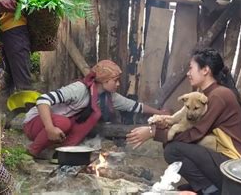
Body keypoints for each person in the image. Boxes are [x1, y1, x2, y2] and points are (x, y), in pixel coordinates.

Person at [127, 48, 241, 195]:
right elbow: (186, 123)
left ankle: (211, 190)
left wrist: (153, 133)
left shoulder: (218, 95)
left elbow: (196, 133)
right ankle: (207, 186)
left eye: (191, 68)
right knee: (173, 146)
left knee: (173, 150)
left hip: (232, 165)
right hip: (223, 157)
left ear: (205, 70)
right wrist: (162, 127)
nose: (188, 73)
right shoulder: (206, 94)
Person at [23, 59, 168, 158]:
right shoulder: (79, 89)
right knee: (64, 123)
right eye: (115, 80)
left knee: (94, 115)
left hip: (57, 127)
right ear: (105, 80)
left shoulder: (108, 97)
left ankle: (60, 153)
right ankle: (33, 151)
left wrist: (161, 114)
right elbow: (42, 100)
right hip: (35, 123)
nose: (118, 84)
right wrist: (49, 128)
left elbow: (135, 106)